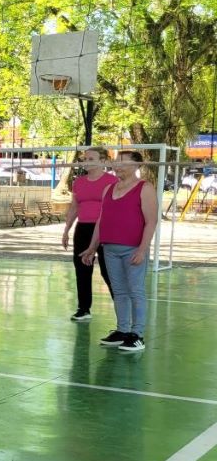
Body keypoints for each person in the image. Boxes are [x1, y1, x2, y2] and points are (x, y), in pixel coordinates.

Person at [81, 150, 158, 352]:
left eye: (123, 162)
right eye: (116, 162)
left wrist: (142, 250)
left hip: (133, 249)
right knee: (119, 291)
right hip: (109, 249)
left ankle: (137, 334)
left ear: (136, 165)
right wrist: (92, 247)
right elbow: (101, 220)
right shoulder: (109, 189)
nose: (117, 165)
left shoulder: (145, 188)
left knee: (136, 291)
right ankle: (122, 330)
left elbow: (151, 222)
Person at [62, 147, 115, 322]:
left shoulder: (112, 181)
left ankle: (121, 309)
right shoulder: (78, 182)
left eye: (91, 159)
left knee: (108, 271)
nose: (86, 162)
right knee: (82, 269)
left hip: (105, 229)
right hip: (83, 229)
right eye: (85, 159)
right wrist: (66, 230)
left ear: (103, 161)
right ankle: (83, 309)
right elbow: (74, 207)